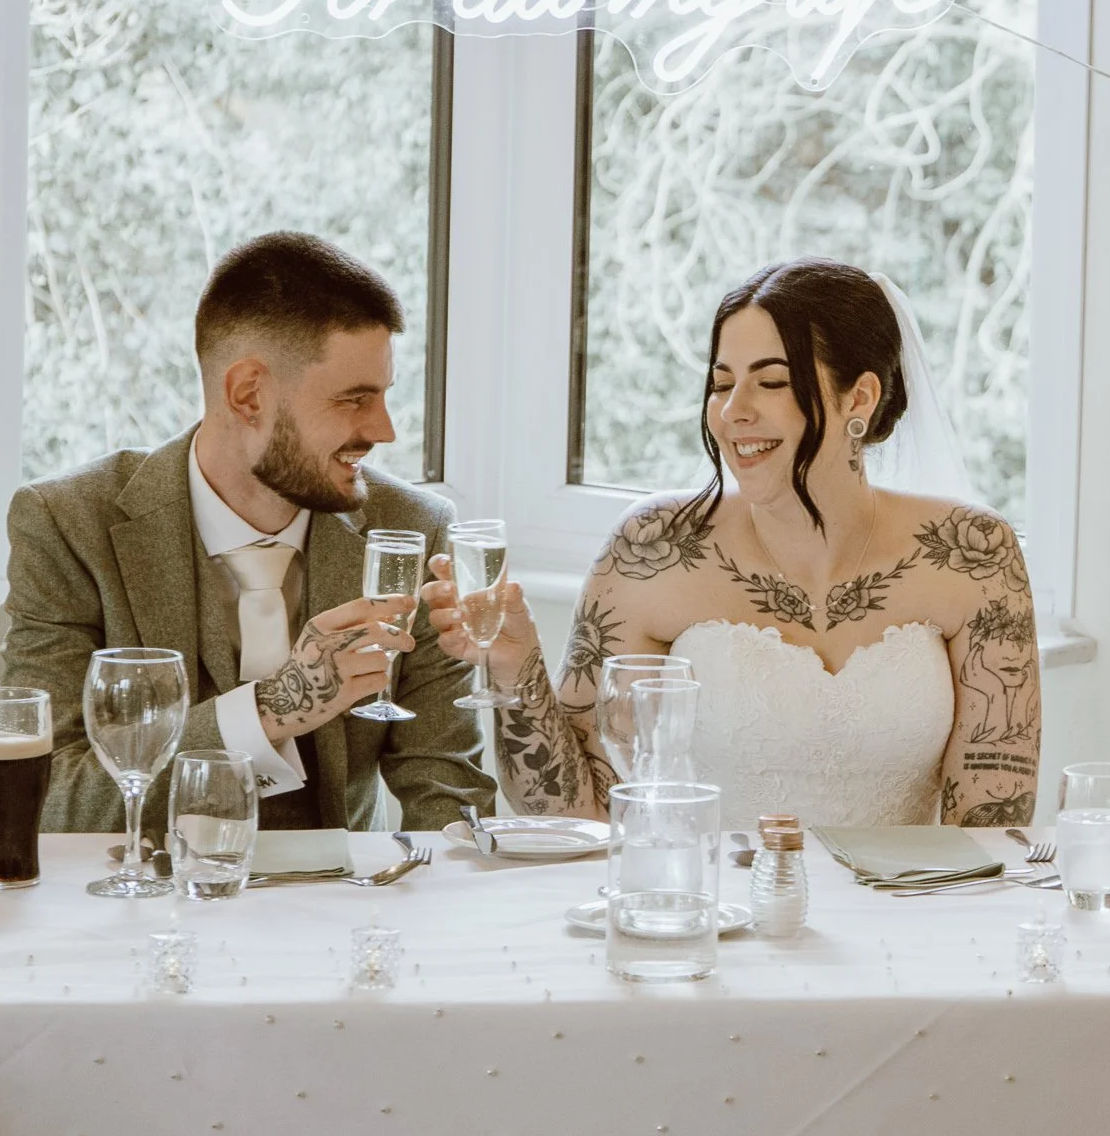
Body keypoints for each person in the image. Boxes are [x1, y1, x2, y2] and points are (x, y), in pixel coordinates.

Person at [422, 259, 1039, 829]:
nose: (731, 412)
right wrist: (517, 669)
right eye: (722, 383)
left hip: (901, 919)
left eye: (770, 383)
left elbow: (988, 830)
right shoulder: (651, 549)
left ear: (860, 397)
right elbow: (577, 814)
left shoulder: (973, 554)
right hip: (708, 916)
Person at [5, 231, 495, 833]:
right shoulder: (69, 525)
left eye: (384, 396)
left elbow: (448, 797)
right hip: (147, 911)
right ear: (247, 393)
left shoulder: (411, 530)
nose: (384, 429)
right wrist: (274, 707)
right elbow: (43, 799)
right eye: (354, 399)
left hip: (341, 911)